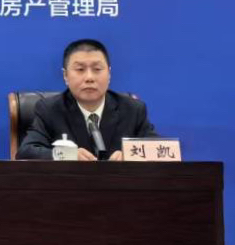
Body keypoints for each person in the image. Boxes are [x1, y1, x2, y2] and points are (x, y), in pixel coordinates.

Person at [16, 38, 157, 161]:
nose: (89, 77)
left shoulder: (133, 110)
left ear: (109, 74)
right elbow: (26, 152)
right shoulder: (49, 109)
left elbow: (160, 150)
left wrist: (131, 155)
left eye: (97, 69)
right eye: (80, 69)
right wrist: (69, 155)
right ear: (65, 76)